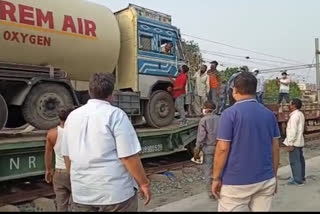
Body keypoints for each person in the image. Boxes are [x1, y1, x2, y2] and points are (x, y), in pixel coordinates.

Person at [61, 73, 151, 212]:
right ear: (112, 93)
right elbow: (128, 156)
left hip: (82, 194)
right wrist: (143, 184)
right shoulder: (116, 115)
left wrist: (77, 180)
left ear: (90, 92)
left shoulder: (72, 117)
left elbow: (67, 157)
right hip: (115, 195)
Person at [212, 71, 280, 212]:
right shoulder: (269, 115)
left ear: (235, 90)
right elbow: (275, 148)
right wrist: (273, 176)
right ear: (255, 90)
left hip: (235, 184)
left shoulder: (229, 114)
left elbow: (223, 148)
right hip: (265, 180)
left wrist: (216, 178)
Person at [45, 107, 75, 211]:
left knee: (61, 206)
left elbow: (48, 153)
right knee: (79, 204)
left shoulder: (52, 133)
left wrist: (48, 170)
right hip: (74, 172)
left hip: (59, 173)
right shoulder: (76, 133)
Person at [193, 101, 220, 199]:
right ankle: (219, 189)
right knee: (219, 169)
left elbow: (201, 136)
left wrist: (197, 147)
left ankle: (211, 193)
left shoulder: (203, 120)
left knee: (208, 171)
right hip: (219, 147)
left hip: (208, 148)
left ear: (205, 109)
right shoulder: (219, 119)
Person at [283, 99, 306, 185]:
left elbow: (293, 131)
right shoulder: (300, 114)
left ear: (294, 105)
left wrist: (290, 143)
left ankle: (297, 179)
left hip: (294, 142)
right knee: (300, 160)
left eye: (290, 103)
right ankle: (301, 177)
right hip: (299, 141)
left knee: (295, 161)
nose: (289, 105)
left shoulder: (294, 116)